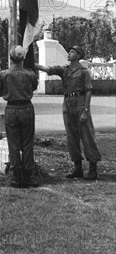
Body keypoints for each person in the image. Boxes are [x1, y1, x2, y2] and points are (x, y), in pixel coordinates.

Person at [36, 45, 101, 180]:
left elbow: (88, 91)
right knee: (71, 137)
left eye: (72, 52)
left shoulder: (84, 71)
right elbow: (47, 69)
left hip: (80, 103)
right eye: (70, 51)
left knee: (87, 136)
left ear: (78, 56)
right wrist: (31, 64)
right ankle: (77, 168)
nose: (69, 53)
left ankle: (93, 168)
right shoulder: (64, 70)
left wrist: (85, 110)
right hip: (67, 104)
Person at [0, 45, 39, 188]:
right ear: (23, 59)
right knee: (27, 143)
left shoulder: (4, 74)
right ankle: (28, 175)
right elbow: (33, 87)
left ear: (10, 58)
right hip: (26, 108)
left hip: (11, 109)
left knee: (13, 144)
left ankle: (16, 176)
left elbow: (0, 92)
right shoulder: (30, 74)